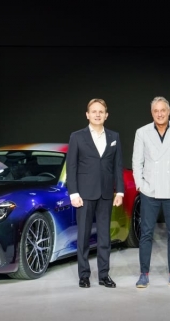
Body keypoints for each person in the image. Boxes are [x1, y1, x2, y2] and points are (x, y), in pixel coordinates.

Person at [132, 96, 170, 289]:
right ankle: (144, 274)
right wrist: (140, 185)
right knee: (146, 233)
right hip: (150, 189)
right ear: (152, 113)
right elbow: (137, 161)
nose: (159, 114)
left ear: (169, 111)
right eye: (156, 111)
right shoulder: (142, 132)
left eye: (163, 110)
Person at [66, 98, 124, 289]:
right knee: (82, 237)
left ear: (106, 115)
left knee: (104, 237)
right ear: (87, 115)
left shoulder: (114, 136)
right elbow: (71, 166)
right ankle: (84, 275)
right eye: (94, 111)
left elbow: (117, 167)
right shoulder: (76, 136)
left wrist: (120, 191)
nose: (97, 114)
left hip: (106, 193)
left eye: (101, 111)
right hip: (84, 194)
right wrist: (73, 193)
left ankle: (104, 275)